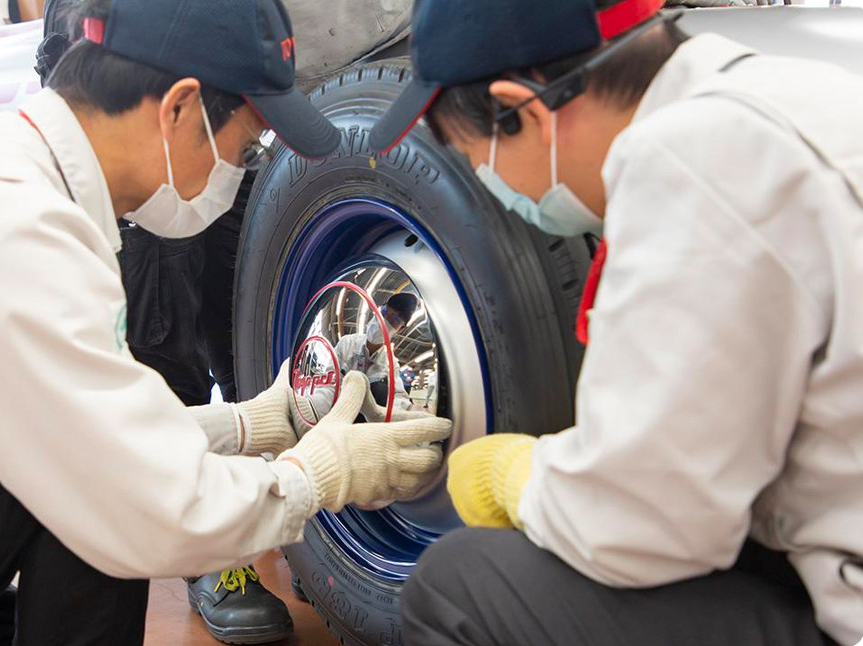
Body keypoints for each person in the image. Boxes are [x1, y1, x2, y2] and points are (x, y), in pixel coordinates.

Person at [0, 0, 453, 644]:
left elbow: (78, 420)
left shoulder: (4, 178)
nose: (237, 170)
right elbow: (138, 497)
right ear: (179, 109)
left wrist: (248, 425)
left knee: (62, 464)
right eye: (242, 145)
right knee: (94, 501)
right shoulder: (10, 227)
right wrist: (317, 477)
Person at [369, 0, 863, 644]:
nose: (489, 182)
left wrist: (515, 477)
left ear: (523, 110)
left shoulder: (691, 164)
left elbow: (639, 523)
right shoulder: (795, 91)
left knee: (456, 586)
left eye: (472, 155)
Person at [333, 292, 420, 412]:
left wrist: (409, 409)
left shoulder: (391, 363)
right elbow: (328, 383)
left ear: (400, 329)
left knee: (380, 389)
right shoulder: (346, 343)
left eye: (394, 320)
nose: (384, 321)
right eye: (384, 312)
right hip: (339, 410)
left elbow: (399, 397)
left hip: (370, 417)